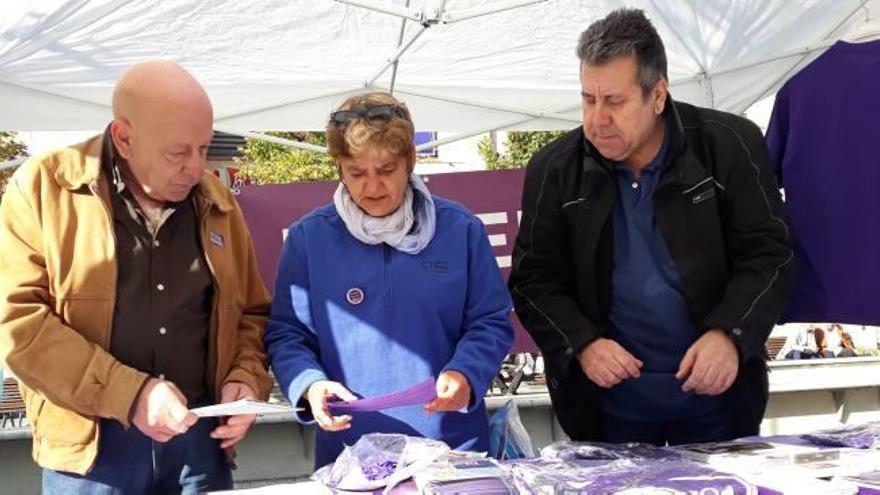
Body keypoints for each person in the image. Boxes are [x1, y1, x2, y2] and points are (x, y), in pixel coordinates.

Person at [508, 9, 794, 445]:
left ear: (657, 95)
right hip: (605, 415)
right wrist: (583, 344)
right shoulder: (555, 169)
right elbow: (533, 281)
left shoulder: (728, 144)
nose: (597, 119)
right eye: (588, 99)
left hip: (718, 407)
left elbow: (771, 255)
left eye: (615, 102)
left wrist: (730, 334)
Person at [0, 61, 272, 494]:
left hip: (199, 441)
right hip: (91, 452)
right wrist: (131, 394)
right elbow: (18, 326)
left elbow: (252, 315)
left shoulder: (219, 202)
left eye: (204, 147)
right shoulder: (41, 189)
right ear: (124, 137)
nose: (196, 166)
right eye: (178, 152)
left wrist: (245, 378)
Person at [264, 92, 514, 468]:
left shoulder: (460, 230)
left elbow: (490, 321)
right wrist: (310, 384)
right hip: (349, 455)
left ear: (410, 161)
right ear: (339, 168)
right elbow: (287, 335)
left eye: (385, 171)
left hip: (452, 451)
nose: (372, 187)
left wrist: (466, 371)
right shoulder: (308, 239)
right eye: (357, 173)